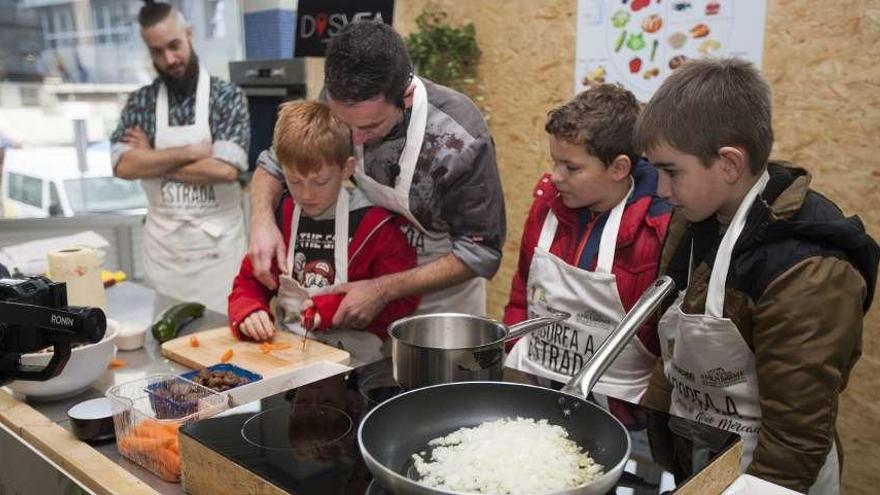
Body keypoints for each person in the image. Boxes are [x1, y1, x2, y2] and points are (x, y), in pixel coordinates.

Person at [636, 58, 879, 494]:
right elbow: (676, 344)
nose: (660, 190)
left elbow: (794, 442)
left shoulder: (809, 271)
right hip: (703, 454)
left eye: (671, 171)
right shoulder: (695, 220)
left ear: (729, 164)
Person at [247, 21, 505, 326]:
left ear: (405, 97)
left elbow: (481, 250)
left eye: (370, 127)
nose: (355, 139)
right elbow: (275, 163)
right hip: (362, 298)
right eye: (345, 124)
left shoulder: (460, 138)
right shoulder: (337, 99)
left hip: (440, 306)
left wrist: (384, 289)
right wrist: (261, 221)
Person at [502, 84, 672, 404]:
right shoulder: (546, 208)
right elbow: (521, 293)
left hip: (616, 408)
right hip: (532, 385)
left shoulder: (657, 232)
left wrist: (643, 409)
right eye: (555, 162)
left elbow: (665, 342)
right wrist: (515, 357)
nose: (556, 176)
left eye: (572, 167)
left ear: (619, 168)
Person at [227, 101, 419, 364]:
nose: (307, 194)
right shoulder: (282, 217)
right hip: (287, 360)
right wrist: (249, 310)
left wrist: (334, 309)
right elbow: (251, 283)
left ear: (346, 169)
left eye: (320, 182)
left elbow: (403, 298)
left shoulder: (375, 224)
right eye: (294, 181)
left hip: (356, 367)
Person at [111, 1, 250, 314]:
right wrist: (191, 152)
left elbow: (226, 169)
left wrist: (152, 159)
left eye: (174, 46)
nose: (168, 59)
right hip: (166, 260)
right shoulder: (140, 102)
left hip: (219, 259)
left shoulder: (227, 97)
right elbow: (123, 165)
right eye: (157, 52)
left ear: (190, 34)